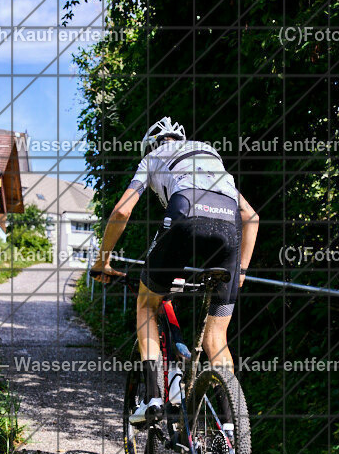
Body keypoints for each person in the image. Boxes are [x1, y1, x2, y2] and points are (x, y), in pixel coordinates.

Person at [91, 117, 259, 426]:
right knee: (216, 337)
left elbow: (122, 210)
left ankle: (154, 399)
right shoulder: (208, 152)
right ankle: (232, 431)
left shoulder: (152, 157)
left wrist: (103, 261)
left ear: (153, 144)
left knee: (145, 305)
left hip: (185, 217)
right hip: (229, 230)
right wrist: (242, 271)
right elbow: (251, 217)